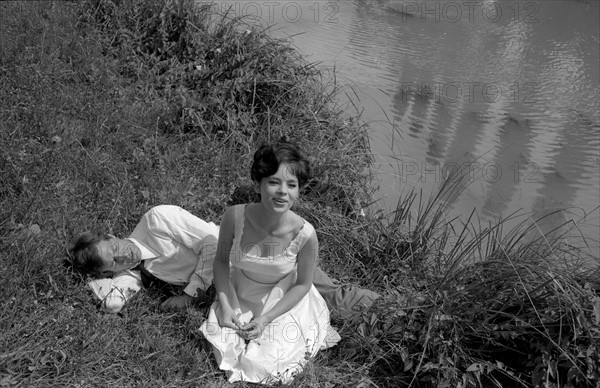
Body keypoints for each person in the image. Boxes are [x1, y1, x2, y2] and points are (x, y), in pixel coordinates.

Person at [199, 140, 341, 384]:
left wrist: (265, 319)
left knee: (261, 365)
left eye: (292, 185)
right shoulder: (234, 217)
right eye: (274, 182)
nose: (283, 191)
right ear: (258, 184)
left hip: (282, 299)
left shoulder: (306, 235)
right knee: (225, 344)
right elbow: (222, 262)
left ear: (298, 190)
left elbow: (303, 285)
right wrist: (224, 304)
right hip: (239, 291)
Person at [70, 207, 380, 315]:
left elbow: (214, 244)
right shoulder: (141, 271)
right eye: (114, 262)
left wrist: (189, 296)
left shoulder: (156, 220)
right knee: (309, 310)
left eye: (113, 246)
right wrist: (106, 285)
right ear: (114, 270)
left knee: (327, 295)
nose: (122, 254)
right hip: (241, 286)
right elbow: (115, 298)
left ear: (112, 234)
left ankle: (401, 311)